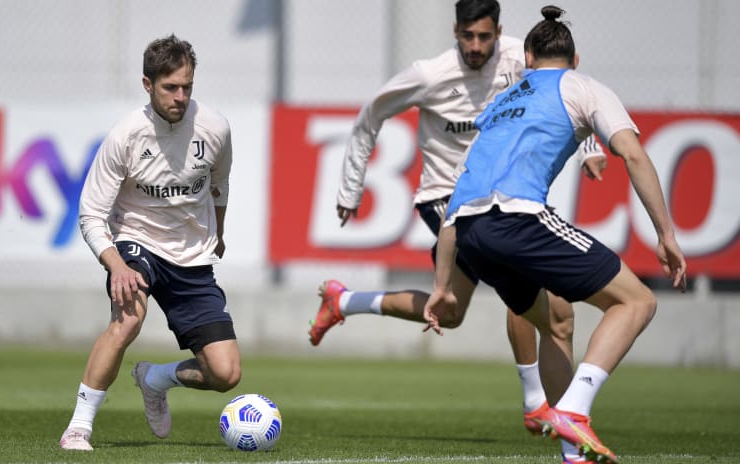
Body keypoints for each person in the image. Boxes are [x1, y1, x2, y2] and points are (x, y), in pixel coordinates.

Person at [308, 2, 604, 461]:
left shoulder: (519, 59)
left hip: (506, 194)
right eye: (467, 36)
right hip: (447, 199)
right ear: (455, 31)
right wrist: (351, 188)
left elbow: (560, 95)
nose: (475, 46)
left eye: (484, 37)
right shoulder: (430, 74)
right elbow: (371, 115)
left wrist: (587, 149)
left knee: (449, 313)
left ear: (499, 32)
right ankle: (537, 406)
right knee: (541, 296)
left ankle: (344, 301)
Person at [423, 6, 686, 464]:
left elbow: (459, 197)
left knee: (558, 321)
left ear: (527, 57)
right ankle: (576, 413)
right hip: (518, 220)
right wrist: (665, 234)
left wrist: (443, 286)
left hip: (470, 232)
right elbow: (634, 156)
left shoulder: (501, 104)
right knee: (638, 301)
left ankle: (572, 452)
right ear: (575, 58)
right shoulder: (582, 86)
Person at [59, 34, 241, 451]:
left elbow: (219, 184)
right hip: (136, 244)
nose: (180, 96)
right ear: (147, 84)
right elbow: (90, 214)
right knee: (128, 320)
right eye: (170, 87)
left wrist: (221, 232)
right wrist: (117, 266)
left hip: (191, 257)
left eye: (187, 87)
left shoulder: (215, 128)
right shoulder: (125, 135)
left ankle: (155, 378)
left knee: (226, 374)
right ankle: (79, 427)